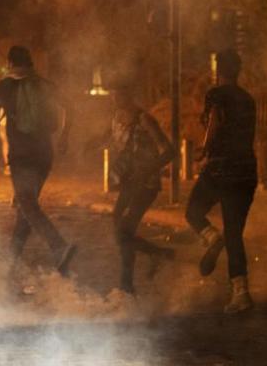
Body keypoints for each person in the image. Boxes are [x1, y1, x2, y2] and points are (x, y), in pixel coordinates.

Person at [0, 45, 77, 276]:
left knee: (27, 204)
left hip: (22, 155)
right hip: (45, 153)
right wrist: (64, 137)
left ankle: (58, 245)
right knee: (25, 207)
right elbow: (70, 107)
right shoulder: (46, 85)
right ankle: (10, 262)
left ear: (10, 62)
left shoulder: (4, 86)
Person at [185, 49, 258, 314]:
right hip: (247, 170)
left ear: (220, 69)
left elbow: (214, 120)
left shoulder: (217, 94)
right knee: (235, 233)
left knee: (193, 210)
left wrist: (205, 147)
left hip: (222, 169)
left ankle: (212, 237)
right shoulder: (248, 99)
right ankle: (242, 293)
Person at [109, 85, 176, 294]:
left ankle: (127, 284)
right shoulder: (118, 118)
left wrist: (147, 170)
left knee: (124, 230)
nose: (115, 97)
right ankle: (156, 256)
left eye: (119, 92)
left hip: (146, 184)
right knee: (120, 230)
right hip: (129, 183)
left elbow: (169, 151)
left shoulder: (144, 120)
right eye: (113, 93)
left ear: (128, 93)